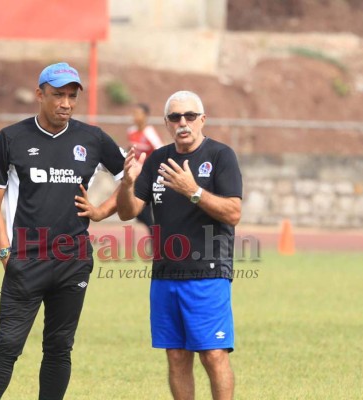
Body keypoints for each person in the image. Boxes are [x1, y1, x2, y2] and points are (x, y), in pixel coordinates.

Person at [0, 62, 125, 400]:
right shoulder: (11, 138)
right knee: (7, 346)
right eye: (58, 95)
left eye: (72, 96)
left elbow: (130, 180)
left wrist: (101, 210)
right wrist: (4, 253)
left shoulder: (93, 138)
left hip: (73, 261)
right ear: (39, 94)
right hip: (24, 262)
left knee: (59, 348)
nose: (66, 103)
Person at [117, 90, 242, 400]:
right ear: (167, 123)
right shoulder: (158, 159)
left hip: (208, 273)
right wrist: (127, 183)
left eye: (189, 116)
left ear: (202, 120)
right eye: (175, 117)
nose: (183, 122)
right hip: (165, 274)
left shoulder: (220, 156)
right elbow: (128, 211)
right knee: (176, 355)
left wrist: (193, 191)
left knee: (213, 355)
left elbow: (233, 212)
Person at [126, 103, 163, 233]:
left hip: (150, 177)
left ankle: (158, 240)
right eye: (134, 113)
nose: (135, 116)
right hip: (137, 177)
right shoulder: (131, 131)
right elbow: (131, 151)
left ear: (146, 116)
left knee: (146, 212)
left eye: (138, 114)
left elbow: (160, 152)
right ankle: (156, 237)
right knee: (140, 214)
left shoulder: (149, 132)